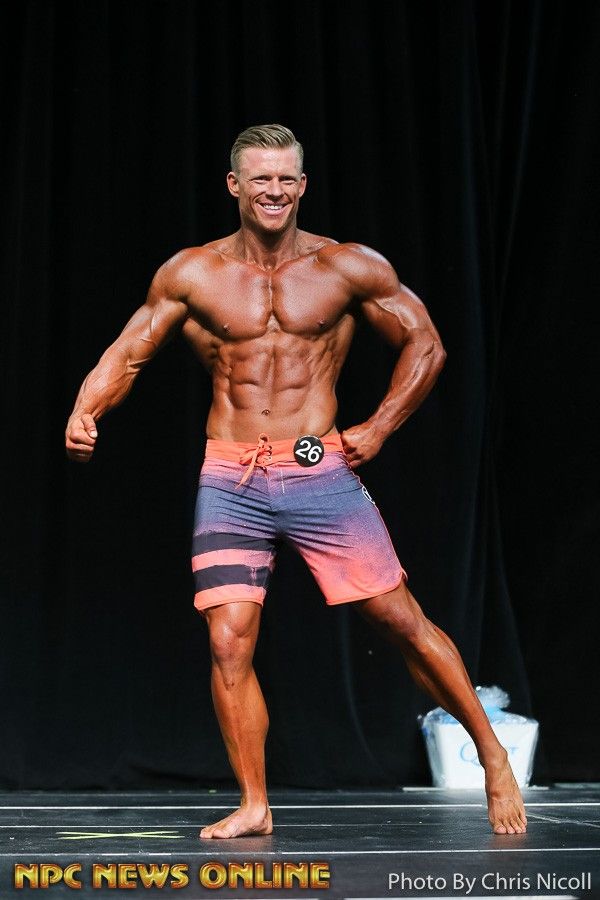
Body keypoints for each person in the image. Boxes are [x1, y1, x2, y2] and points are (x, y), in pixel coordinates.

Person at [65, 124, 527, 838]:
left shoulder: (345, 267)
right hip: (231, 475)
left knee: (399, 620)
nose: (274, 191)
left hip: (316, 468)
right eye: (261, 179)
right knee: (227, 641)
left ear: (303, 185)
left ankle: (492, 754)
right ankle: (254, 802)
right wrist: (85, 409)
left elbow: (426, 343)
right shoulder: (193, 273)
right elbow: (128, 352)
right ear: (235, 186)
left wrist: (379, 427)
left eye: (286, 179)